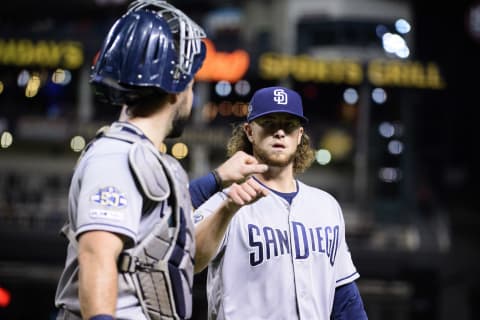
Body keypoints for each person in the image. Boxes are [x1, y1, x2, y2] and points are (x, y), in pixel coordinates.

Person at [54, 1, 267, 319]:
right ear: (174, 91)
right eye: (191, 84)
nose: (191, 96)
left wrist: (221, 185)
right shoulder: (116, 155)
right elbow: (97, 256)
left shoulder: (147, 159)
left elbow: (178, 254)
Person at [194, 86, 368, 319]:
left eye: (288, 124)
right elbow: (190, 260)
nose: (279, 132)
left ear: (299, 135)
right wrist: (226, 211)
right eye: (269, 123)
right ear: (249, 131)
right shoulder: (225, 199)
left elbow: (344, 296)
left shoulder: (325, 206)